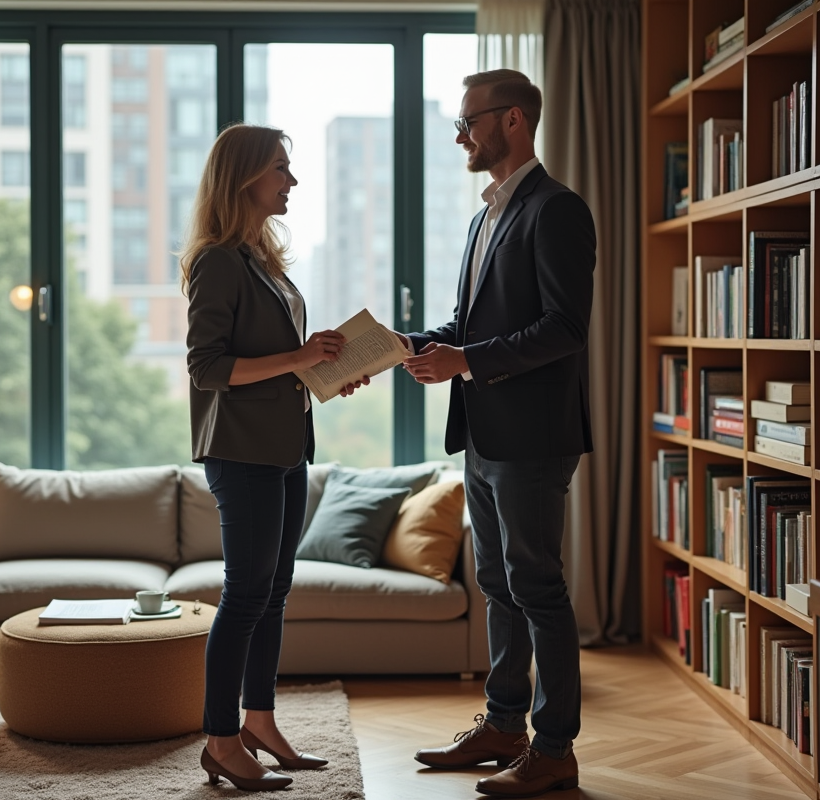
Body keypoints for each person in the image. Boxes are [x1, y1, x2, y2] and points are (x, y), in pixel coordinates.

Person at [401, 69, 596, 798]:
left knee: (537, 586)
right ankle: (504, 726)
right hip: (484, 434)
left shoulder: (558, 210)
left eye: (468, 122)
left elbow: (564, 328)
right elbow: (470, 325)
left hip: (534, 438)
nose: (461, 136)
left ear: (512, 120)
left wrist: (466, 362)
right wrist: (407, 345)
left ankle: (555, 749)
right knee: (497, 585)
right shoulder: (485, 217)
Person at [182, 123, 368, 792]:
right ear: (244, 178)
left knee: (273, 592)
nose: (291, 180)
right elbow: (207, 367)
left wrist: (325, 370)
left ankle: (258, 722)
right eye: (280, 169)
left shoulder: (260, 258)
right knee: (245, 594)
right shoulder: (217, 260)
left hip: (286, 446)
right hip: (242, 452)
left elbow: (276, 362)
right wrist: (299, 356)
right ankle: (220, 740)